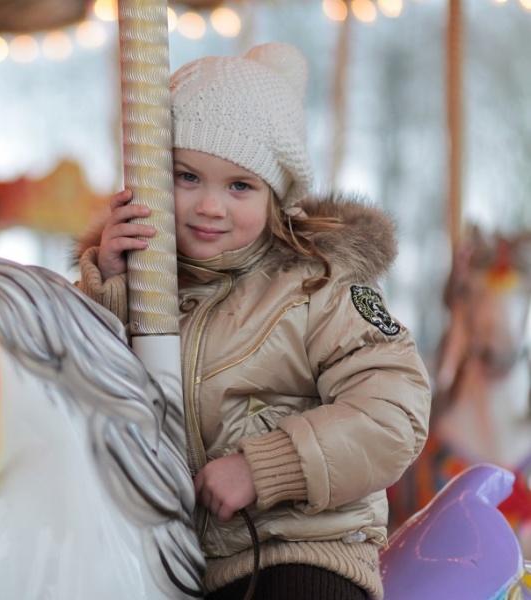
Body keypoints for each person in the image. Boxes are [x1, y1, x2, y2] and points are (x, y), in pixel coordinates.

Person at [76, 43, 431, 600]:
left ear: (276, 197)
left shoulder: (320, 285)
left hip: (302, 548)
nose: (209, 206)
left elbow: (393, 412)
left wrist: (266, 467)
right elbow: (78, 394)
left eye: (239, 186)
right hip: (167, 557)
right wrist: (111, 287)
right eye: (187, 177)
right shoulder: (145, 287)